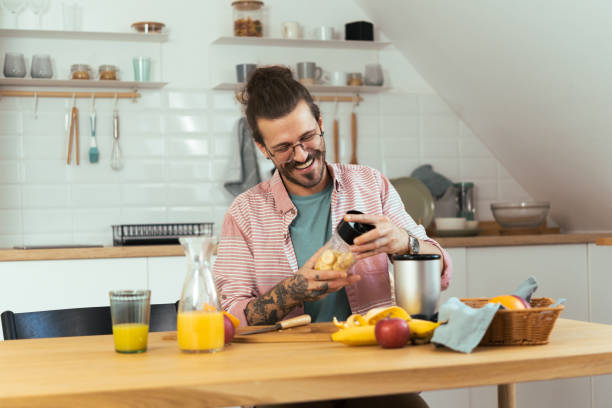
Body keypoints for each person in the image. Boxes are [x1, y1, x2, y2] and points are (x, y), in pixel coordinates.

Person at [213, 66, 452, 407]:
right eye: (283, 147)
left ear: (321, 122)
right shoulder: (244, 213)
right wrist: (291, 291)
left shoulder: (371, 185)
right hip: (283, 381)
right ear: (262, 148)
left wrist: (405, 242)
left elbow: (439, 264)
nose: (301, 155)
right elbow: (231, 317)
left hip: (376, 373)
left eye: (307, 137)